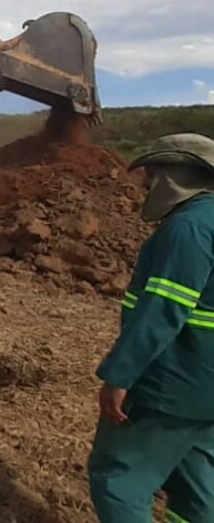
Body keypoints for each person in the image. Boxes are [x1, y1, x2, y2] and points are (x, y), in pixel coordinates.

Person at [88, 133, 214, 523]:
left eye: (152, 173)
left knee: (118, 479)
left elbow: (162, 310)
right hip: (206, 393)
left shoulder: (188, 228)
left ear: (175, 176)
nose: (145, 183)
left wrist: (120, 375)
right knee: (196, 487)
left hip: (173, 387)